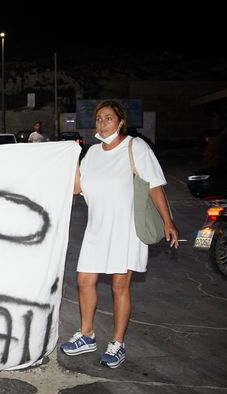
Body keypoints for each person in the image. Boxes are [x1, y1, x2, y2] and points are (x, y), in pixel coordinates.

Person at [61, 100, 179, 368]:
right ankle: (87, 335)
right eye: (99, 119)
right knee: (84, 280)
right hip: (97, 229)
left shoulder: (136, 147)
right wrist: (67, 159)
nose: (102, 123)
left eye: (108, 118)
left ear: (121, 121)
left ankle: (118, 343)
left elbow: (155, 187)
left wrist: (168, 222)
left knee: (119, 286)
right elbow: (76, 188)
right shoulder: (91, 154)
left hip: (126, 229)